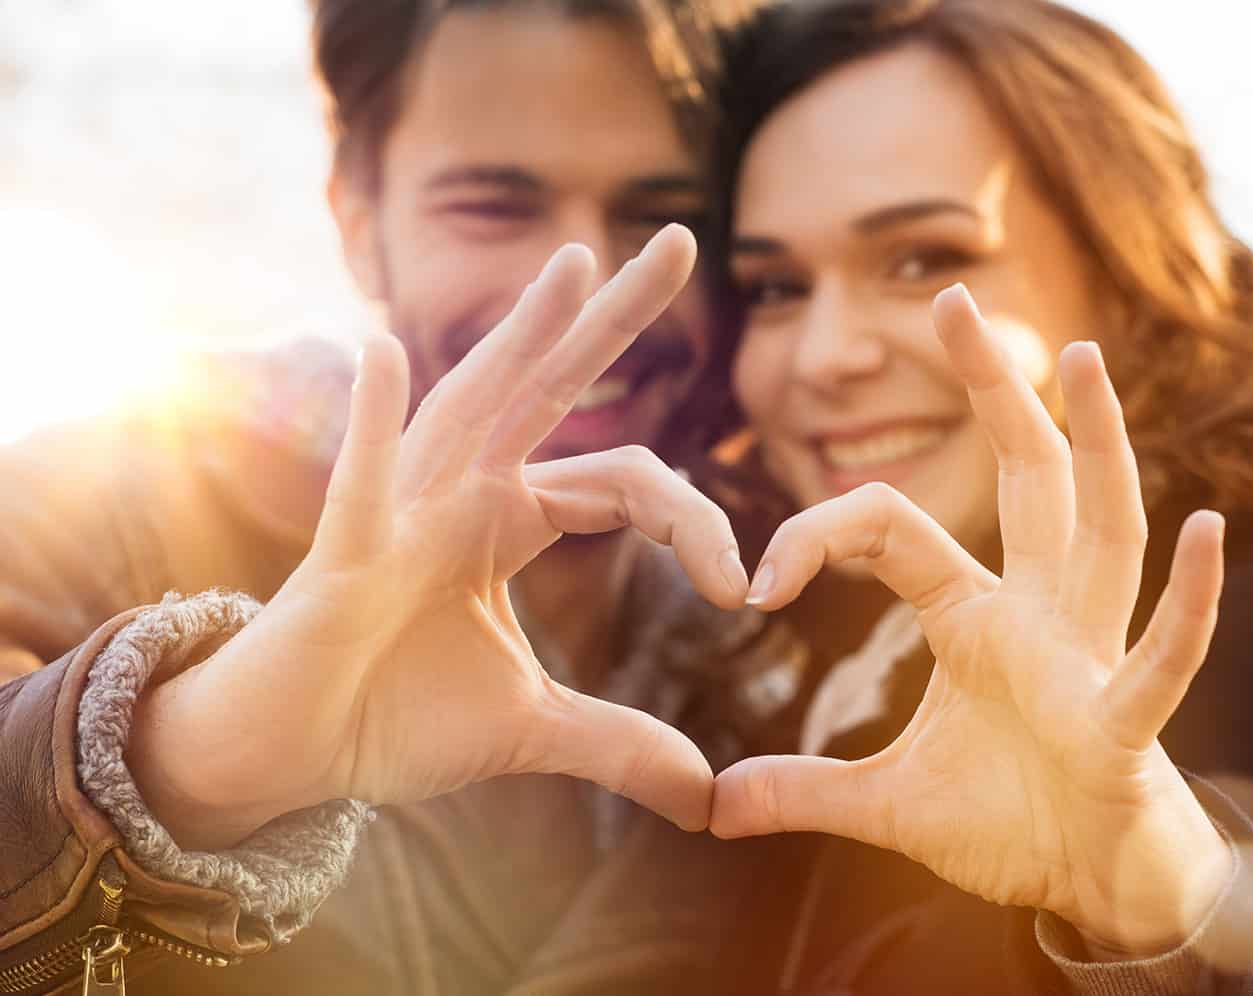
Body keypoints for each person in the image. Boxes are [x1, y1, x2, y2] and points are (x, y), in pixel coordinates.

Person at [655, 0, 1253, 991]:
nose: (825, 356)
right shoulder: (827, 671)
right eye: (775, 286)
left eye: (925, 259)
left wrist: (1164, 914)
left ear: (1124, 274)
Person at [0, 1, 761, 993]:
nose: (579, 284)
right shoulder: (94, 501)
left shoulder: (795, 595)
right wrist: (180, 763)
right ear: (359, 223)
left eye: (664, 217)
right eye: (494, 205)